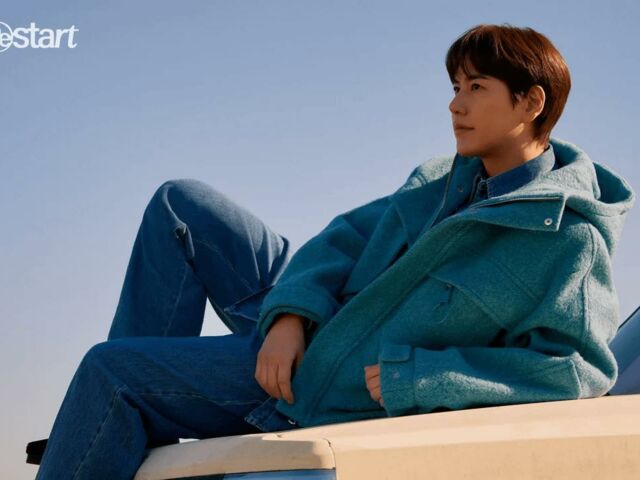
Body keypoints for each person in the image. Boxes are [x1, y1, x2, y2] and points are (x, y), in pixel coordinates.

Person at [31, 23, 635, 479]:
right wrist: (290, 316)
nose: (456, 104)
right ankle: (119, 434)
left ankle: (114, 422)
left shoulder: (567, 240)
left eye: (477, 88)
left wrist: (423, 379)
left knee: (111, 370)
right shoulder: (441, 180)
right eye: (456, 87)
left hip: (333, 378)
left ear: (531, 103)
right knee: (180, 205)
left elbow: (577, 372)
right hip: (322, 325)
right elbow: (342, 239)